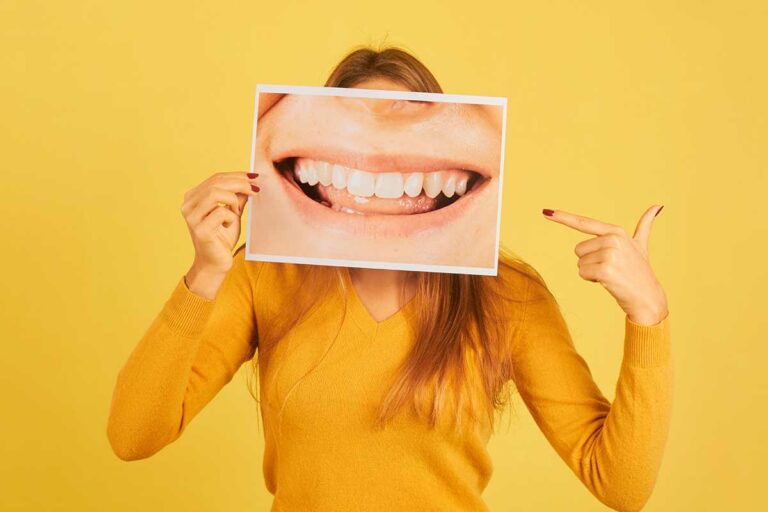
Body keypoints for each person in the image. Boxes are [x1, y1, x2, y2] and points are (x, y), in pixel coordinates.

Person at [107, 46, 672, 512]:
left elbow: (620, 486)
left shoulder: (507, 294)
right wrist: (205, 274)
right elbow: (133, 436)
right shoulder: (264, 275)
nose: (377, 154)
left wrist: (648, 315)